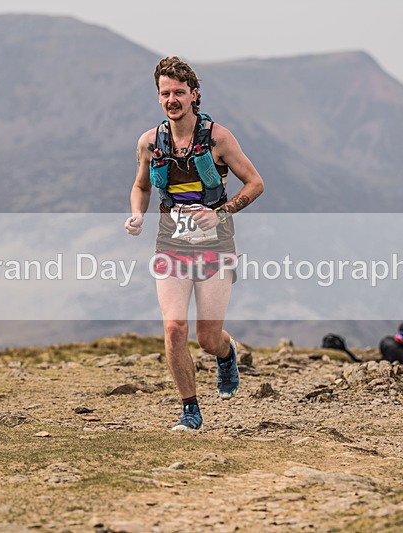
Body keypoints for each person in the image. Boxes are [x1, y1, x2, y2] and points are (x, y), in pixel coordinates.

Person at [124, 57, 264, 430]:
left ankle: (226, 352)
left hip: (216, 241)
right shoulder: (150, 142)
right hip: (171, 239)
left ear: (194, 94)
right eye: (165, 93)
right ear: (158, 97)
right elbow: (141, 185)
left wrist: (220, 213)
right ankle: (190, 409)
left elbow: (255, 183)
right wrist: (137, 213)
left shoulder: (218, 138)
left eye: (179, 92)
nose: (172, 99)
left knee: (207, 337)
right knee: (173, 328)